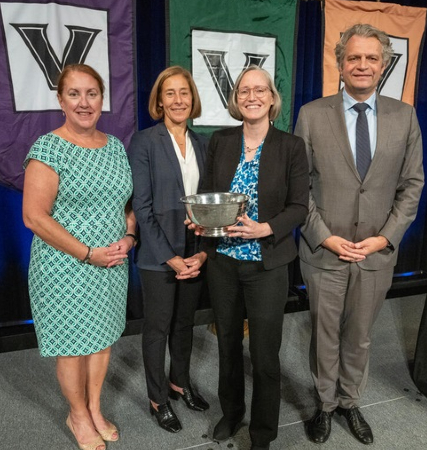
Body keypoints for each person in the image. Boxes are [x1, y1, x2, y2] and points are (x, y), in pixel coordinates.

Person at [295, 24, 424, 445]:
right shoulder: (312, 115)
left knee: (361, 334)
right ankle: (324, 405)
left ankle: (350, 403)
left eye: (371, 58)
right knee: (325, 332)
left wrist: (386, 238)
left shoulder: (404, 116)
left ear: (383, 65)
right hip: (325, 251)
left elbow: (412, 185)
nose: (362, 65)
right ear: (340, 63)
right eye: (354, 57)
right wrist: (322, 235)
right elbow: (299, 188)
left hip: (375, 252)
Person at [22, 64, 135, 450]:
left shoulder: (117, 146)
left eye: (92, 94)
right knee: (73, 347)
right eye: (75, 94)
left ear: (103, 99)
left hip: (111, 266)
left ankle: (94, 407)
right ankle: (77, 414)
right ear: (60, 99)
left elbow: (126, 206)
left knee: (101, 341)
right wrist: (88, 254)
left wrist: (130, 236)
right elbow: (34, 216)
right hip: (64, 268)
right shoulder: (48, 148)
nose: (84, 103)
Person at [197, 66, 309, 450]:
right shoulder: (221, 141)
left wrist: (266, 228)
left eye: (260, 89)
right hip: (223, 262)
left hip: (267, 264)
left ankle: (263, 433)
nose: (252, 96)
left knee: (264, 354)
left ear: (272, 97)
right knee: (227, 344)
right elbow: (207, 194)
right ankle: (231, 415)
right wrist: (200, 221)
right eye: (244, 90)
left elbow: (299, 207)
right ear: (235, 98)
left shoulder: (291, 146)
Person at [127, 66, 210, 434]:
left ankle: (180, 383)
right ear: (159, 101)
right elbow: (141, 207)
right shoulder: (144, 141)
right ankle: (158, 398)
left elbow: (210, 207)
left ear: (193, 99)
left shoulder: (204, 143)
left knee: (184, 325)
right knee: (158, 329)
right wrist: (170, 257)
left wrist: (202, 253)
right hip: (159, 255)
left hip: (194, 250)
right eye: (170, 93)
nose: (178, 100)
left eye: (184, 92)